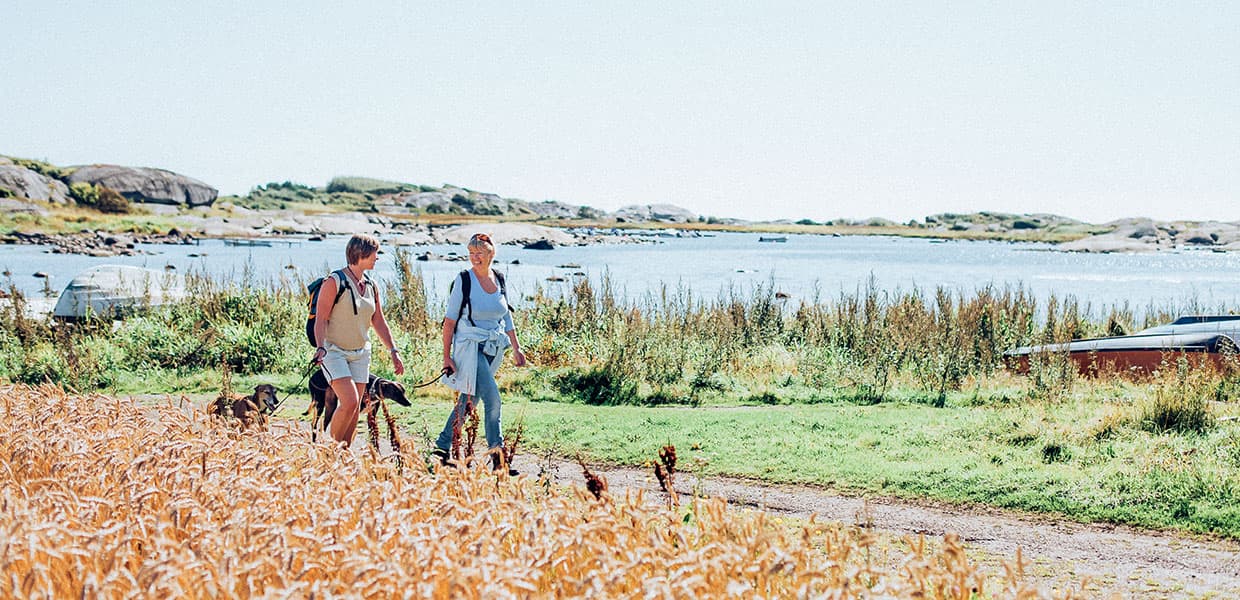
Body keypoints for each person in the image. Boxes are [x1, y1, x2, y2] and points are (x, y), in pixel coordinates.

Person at [433, 232, 527, 472]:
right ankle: (499, 458)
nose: (475, 258)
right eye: (471, 254)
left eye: (480, 253)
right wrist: (447, 356)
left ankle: (441, 448)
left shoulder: (500, 279)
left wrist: (516, 347)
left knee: (469, 400)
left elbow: (506, 315)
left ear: (491, 254)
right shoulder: (464, 279)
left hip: (492, 348)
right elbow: (449, 321)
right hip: (469, 347)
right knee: (493, 398)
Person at [312, 233, 404, 445]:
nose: (377, 258)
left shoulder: (371, 285)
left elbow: (378, 320)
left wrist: (393, 350)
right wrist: (320, 347)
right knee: (350, 401)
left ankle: (344, 454)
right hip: (334, 352)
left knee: (355, 410)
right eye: (375, 253)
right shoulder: (334, 281)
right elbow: (321, 319)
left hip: (361, 353)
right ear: (361, 253)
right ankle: (330, 450)